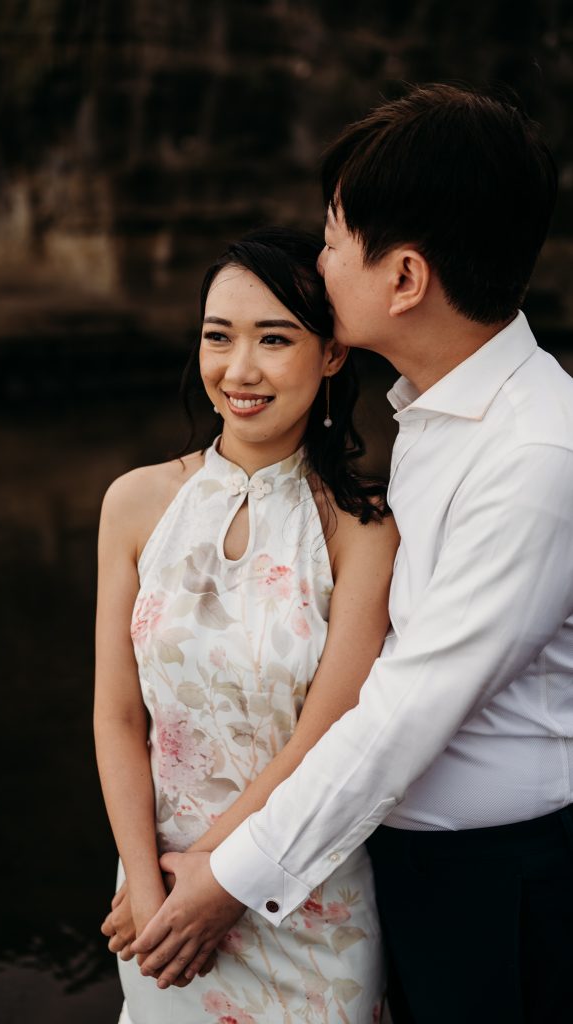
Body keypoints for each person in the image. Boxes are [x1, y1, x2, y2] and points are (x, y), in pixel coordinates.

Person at [129, 85, 573, 1024]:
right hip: (388, 863)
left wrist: (227, 875)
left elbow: (405, 709)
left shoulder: (536, 453)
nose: (318, 263)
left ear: (404, 278)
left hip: (505, 887)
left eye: (332, 240)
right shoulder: (433, 413)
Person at [95, 226, 399, 1023]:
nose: (240, 370)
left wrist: (211, 877)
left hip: (298, 892)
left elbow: (325, 735)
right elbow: (118, 714)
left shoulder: (363, 529)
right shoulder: (134, 503)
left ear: (331, 354)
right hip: (155, 895)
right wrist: (145, 879)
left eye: (274, 339)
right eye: (217, 337)